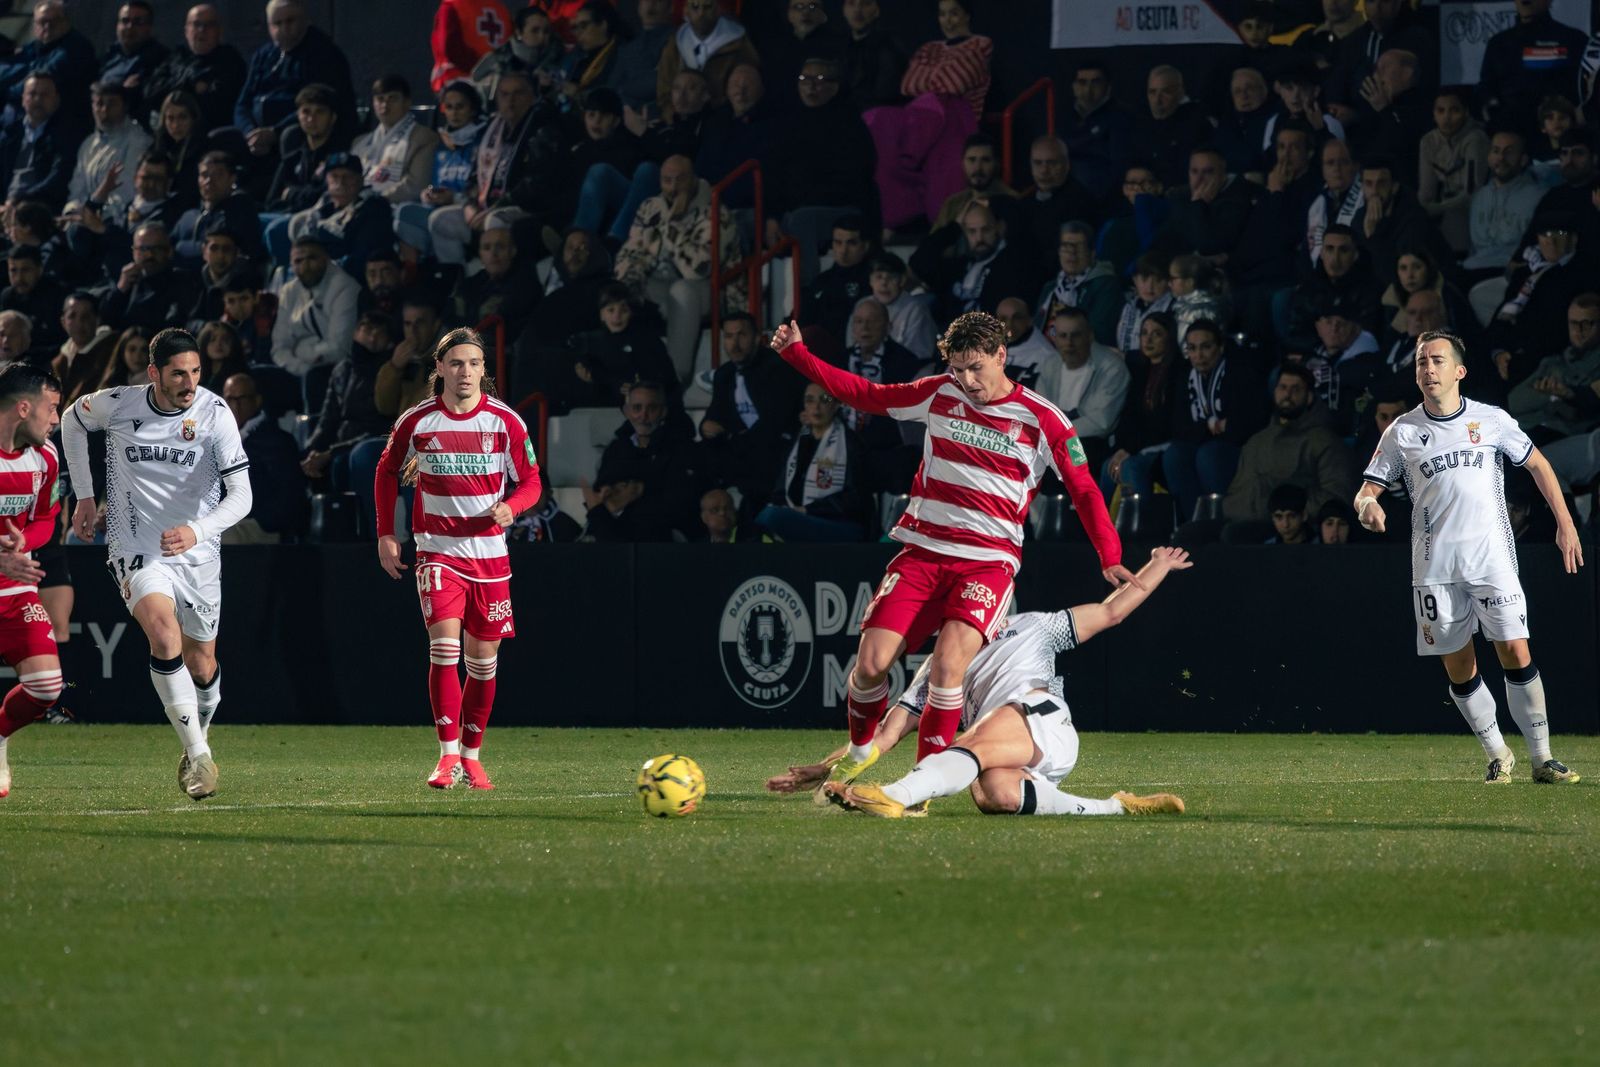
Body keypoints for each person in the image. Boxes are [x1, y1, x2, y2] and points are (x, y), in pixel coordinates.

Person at [768, 312, 1131, 782]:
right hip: (923, 553)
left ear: (1002, 356)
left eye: (976, 367)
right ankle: (859, 751)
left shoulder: (1044, 421)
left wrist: (1111, 554)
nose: (967, 380)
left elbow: (1084, 490)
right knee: (871, 666)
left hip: (987, 563)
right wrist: (798, 355)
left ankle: (920, 784)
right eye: (958, 369)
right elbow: (867, 395)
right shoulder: (940, 393)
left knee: (947, 666)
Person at [782, 547, 1192, 819]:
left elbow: (1111, 612)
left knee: (974, 740)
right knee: (994, 795)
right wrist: (827, 766)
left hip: (1042, 722)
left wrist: (1158, 563)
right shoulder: (936, 668)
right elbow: (885, 735)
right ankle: (1115, 807)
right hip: (1018, 758)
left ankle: (899, 795)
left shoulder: (1034, 626)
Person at [1357, 330, 1583, 784]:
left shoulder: (1492, 420)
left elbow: (1537, 463)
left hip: (1492, 558)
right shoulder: (1402, 431)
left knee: (1515, 650)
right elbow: (1367, 489)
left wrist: (1565, 522)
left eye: (1437, 360)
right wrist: (1368, 506)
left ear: (1459, 371)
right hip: (1434, 567)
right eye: (1421, 361)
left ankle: (1542, 758)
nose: (1428, 368)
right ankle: (1498, 753)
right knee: (1460, 665)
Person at [62, 327, 254, 800]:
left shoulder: (215, 414)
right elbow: (71, 419)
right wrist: (85, 496)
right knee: (163, 634)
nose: (189, 383)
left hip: (197, 553)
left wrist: (198, 531)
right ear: (154, 374)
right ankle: (201, 758)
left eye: (195, 372)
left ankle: (196, 743)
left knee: (202, 664)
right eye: (177, 374)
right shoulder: (121, 404)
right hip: (136, 545)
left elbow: (243, 497)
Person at [373, 327, 541, 791]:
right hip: (437, 551)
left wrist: (513, 506)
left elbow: (531, 481)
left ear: (484, 371)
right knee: (444, 649)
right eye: (456, 363)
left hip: (489, 555)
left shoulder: (506, 422)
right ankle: (446, 757)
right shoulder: (417, 420)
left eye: (473, 363)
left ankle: (472, 757)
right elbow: (387, 471)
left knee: (483, 663)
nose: (465, 371)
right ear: (440, 369)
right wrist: (387, 533)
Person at [0, 364, 68, 799]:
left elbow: (47, 517)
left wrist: (25, 542)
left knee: (46, 687)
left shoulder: (45, 457)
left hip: (13, 587)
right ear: (24, 408)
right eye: (52, 407)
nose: (56, 418)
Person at [756, 383, 871, 542]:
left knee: (770, 517)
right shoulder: (799, 441)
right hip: (801, 518)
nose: (816, 407)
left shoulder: (851, 443)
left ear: (836, 404)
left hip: (839, 523)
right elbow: (781, 489)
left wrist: (807, 510)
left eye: (824, 400)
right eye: (810, 400)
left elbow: (856, 499)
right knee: (759, 518)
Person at [142, 4, 247, 135]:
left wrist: (175, 90)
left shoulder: (229, 60)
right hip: (169, 135)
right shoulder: (176, 57)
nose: (202, 30)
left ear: (219, 31)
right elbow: (150, 92)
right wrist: (189, 84)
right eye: (196, 24)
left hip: (208, 136)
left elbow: (216, 105)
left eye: (209, 25)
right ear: (186, 30)